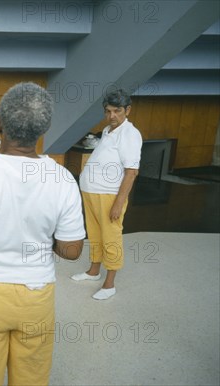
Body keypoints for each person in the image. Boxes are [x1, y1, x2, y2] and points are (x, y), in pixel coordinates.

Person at [0, 82, 85, 385]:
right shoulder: (62, 178)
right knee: (32, 378)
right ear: (44, 127)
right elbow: (72, 251)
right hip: (36, 297)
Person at [71, 89, 143, 300]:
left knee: (111, 237)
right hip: (92, 192)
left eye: (117, 111)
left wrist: (118, 204)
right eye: (108, 111)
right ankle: (94, 271)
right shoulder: (107, 130)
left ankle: (109, 284)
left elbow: (131, 172)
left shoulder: (130, 134)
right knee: (94, 235)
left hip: (109, 195)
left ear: (127, 110)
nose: (112, 116)